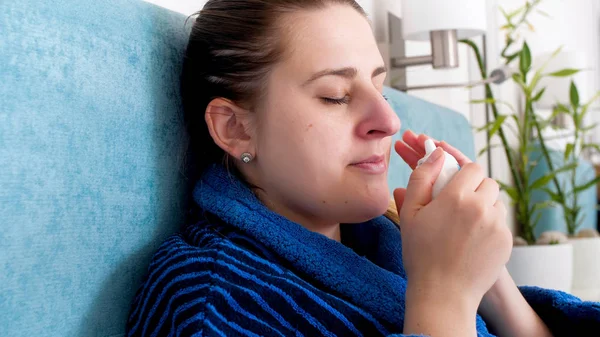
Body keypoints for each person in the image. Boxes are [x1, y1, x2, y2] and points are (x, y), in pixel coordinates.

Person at [126, 1, 600, 336]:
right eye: (336, 95)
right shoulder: (207, 300)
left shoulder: (389, 243)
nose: (390, 121)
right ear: (235, 129)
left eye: (381, 88)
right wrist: (444, 296)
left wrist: (489, 282)